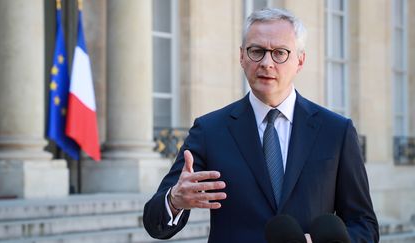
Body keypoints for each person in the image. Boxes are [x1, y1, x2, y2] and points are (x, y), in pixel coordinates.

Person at [143, 8, 379, 243]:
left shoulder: (336, 131)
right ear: (242, 57)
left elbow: (364, 226)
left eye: (280, 53)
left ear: (300, 60)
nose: (267, 63)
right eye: (257, 51)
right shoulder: (210, 130)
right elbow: (155, 223)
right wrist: (174, 200)